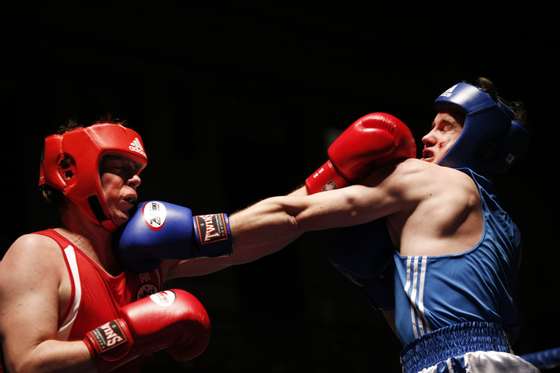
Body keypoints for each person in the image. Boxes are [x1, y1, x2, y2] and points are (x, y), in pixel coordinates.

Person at [114, 77, 536, 372]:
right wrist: (377, 286)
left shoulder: (429, 179)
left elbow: (294, 215)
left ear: (480, 136)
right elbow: (438, 330)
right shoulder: (504, 225)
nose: (427, 137)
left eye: (445, 127)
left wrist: (189, 237)